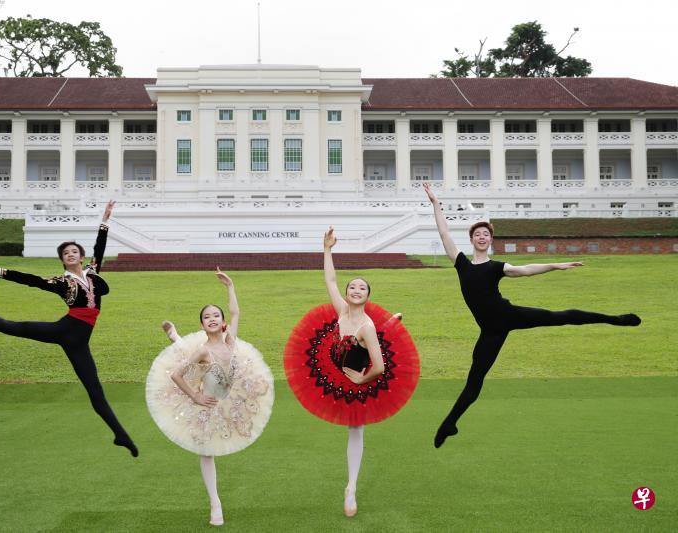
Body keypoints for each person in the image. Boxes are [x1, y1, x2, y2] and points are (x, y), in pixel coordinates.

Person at [423, 183, 642, 448]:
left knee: (561, 316)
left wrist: (555, 265)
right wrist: (436, 203)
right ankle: (449, 424)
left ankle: (617, 319)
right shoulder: (461, 264)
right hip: (490, 331)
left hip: (509, 315)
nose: (481, 237)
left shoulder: (497, 267)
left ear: (490, 240)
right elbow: (444, 232)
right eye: (477, 234)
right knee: (475, 380)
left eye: (486, 234)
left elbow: (526, 270)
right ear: (471, 240)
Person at [0, 200, 138, 457]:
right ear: (62, 260)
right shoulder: (61, 282)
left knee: (95, 391)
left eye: (74, 251)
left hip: (79, 343)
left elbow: (100, 247)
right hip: (63, 330)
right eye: (66, 253)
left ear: (81, 257)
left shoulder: (93, 273)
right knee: (8, 326)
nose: (71, 254)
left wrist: (105, 219)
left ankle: (120, 435)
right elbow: (31, 280)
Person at [283, 227, 419, 517]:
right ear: (347, 294)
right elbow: (330, 280)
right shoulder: (342, 311)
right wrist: (327, 249)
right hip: (333, 365)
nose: (356, 290)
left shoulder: (366, 326)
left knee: (355, 428)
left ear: (368, 296)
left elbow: (380, 367)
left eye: (362, 288)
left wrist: (361, 378)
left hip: (357, 376)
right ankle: (392, 323)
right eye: (352, 287)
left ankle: (351, 487)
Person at [146, 269, 274, 527]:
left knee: (196, 364)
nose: (212, 319)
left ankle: (176, 338)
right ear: (202, 325)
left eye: (216, 315)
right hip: (207, 401)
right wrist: (195, 396)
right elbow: (176, 375)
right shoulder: (203, 350)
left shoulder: (230, 341)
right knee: (207, 451)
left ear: (223, 322)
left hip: (229, 396)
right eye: (207, 317)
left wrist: (230, 286)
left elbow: (236, 313)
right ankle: (215, 503)